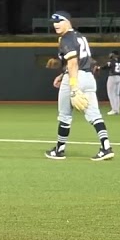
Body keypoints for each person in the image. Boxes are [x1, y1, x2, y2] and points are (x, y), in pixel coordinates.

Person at [45, 12, 113, 161]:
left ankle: (59, 150)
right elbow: (83, 61)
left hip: (75, 78)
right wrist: (63, 75)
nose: (55, 25)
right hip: (88, 77)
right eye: (54, 22)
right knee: (95, 116)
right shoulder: (80, 36)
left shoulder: (66, 38)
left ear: (68, 22)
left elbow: (73, 62)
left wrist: (74, 86)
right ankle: (106, 147)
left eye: (59, 21)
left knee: (64, 116)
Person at [99, 51, 120, 115]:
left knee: (111, 94)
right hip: (119, 77)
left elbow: (105, 66)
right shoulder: (119, 62)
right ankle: (117, 109)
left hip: (113, 77)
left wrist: (99, 67)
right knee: (117, 94)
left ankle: (114, 110)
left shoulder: (112, 61)